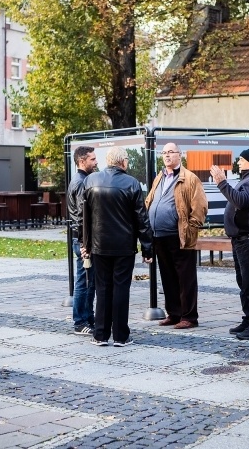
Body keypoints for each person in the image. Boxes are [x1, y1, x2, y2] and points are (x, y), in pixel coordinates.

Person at [82, 146, 153, 347]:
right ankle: (121, 335)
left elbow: (85, 217)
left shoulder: (91, 180)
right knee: (121, 288)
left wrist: (85, 244)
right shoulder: (131, 183)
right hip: (124, 246)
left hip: (99, 245)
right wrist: (147, 248)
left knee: (102, 288)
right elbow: (142, 219)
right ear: (123, 162)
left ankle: (100, 334)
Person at [144, 143, 208, 329]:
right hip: (159, 236)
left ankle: (189, 316)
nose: (167, 156)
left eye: (171, 152)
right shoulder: (160, 177)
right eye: (164, 153)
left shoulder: (189, 178)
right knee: (168, 277)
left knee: (185, 278)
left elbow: (200, 207)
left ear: (180, 155)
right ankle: (174, 313)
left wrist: (190, 229)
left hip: (179, 235)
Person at [209, 148, 249, 340]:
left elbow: (241, 201)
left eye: (242, 160)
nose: (239, 163)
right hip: (240, 237)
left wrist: (221, 183)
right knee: (242, 280)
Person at [67, 146, 98, 335]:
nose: (95, 162)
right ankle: (80, 321)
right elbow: (81, 216)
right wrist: (84, 243)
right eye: (92, 159)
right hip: (83, 240)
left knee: (89, 280)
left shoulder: (83, 180)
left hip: (83, 239)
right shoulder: (80, 182)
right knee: (84, 281)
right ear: (81, 161)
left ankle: (87, 316)